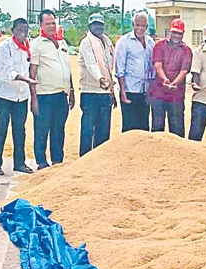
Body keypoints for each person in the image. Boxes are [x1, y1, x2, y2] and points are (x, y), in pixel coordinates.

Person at [0, 18, 37, 176]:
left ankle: (19, 163)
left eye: (25, 30)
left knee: (19, 131)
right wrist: (27, 80)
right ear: (13, 30)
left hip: (20, 96)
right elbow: (8, 72)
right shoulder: (5, 47)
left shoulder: (28, 47)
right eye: (19, 30)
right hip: (4, 95)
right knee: (1, 128)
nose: (23, 34)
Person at [30, 9, 74, 169]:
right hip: (44, 96)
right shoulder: (36, 45)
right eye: (47, 24)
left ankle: (57, 162)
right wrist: (33, 99)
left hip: (61, 95)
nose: (51, 26)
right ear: (41, 25)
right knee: (42, 131)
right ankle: (41, 162)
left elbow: (67, 68)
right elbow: (32, 73)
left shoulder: (62, 43)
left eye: (53, 23)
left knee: (58, 131)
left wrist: (72, 92)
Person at [78, 13, 116, 156]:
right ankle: (84, 161)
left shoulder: (107, 42)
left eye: (100, 24)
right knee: (88, 130)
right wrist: (101, 79)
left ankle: (99, 161)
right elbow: (91, 64)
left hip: (105, 94)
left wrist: (111, 89)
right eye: (95, 24)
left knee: (104, 131)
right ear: (90, 26)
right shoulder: (86, 43)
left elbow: (109, 66)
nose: (98, 27)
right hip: (90, 93)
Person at [150, 18, 192, 137]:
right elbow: (158, 65)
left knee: (177, 128)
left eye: (179, 33)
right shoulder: (159, 46)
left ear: (183, 34)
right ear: (170, 31)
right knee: (157, 128)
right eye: (174, 32)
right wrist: (165, 79)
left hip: (176, 95)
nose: (176, 36)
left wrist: (174, 83)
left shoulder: (186, 50)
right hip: (159, 93)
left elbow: (184, 71)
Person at [116, 12, 155, 132]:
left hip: (144, 91)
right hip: (129, 90)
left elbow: (152, 67)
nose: (140, 28)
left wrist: (150, 91)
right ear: (133, 25)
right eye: (137, 25)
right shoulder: (124, 42)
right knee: (129, 127)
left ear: (147, 27)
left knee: (143, 127)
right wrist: (123, 92)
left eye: (143, 26)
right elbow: (119, 69)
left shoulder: (150, 43)